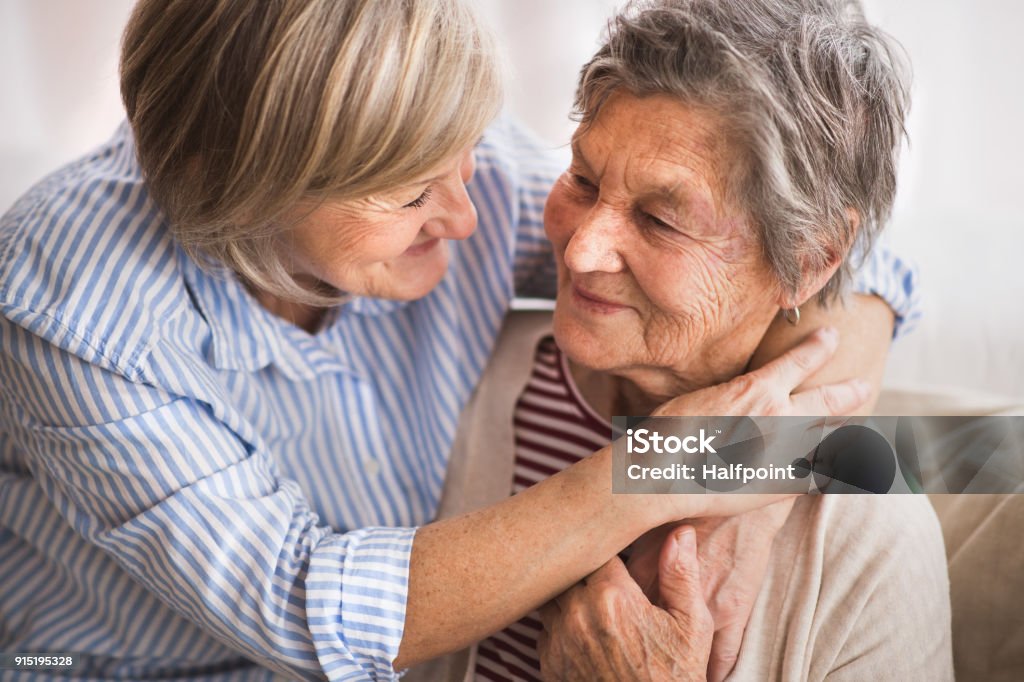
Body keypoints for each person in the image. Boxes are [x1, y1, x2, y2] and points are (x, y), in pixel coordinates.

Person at [0, 1, 916, 680]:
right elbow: (300, 602)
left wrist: (752, 474)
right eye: (406, 195)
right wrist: (670, 469)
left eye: (464, 151)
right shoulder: (74, 300)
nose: (475, 214)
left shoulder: (880, 489)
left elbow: (850, 257)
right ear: (238, 196)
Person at [420, 0, 951, 680]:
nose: (581, 251)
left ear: (813, 257)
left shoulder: (870, 536)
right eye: (582, 179)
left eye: (661, 221)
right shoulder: (475, 380)